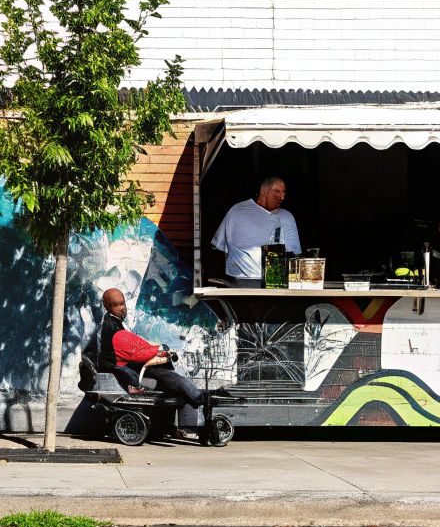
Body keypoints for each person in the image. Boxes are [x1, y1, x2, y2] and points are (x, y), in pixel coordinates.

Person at [92, 288, 219, 419]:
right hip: (129, 370)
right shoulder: (113, 328)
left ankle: (181, 412)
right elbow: (136, 354)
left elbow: (136, 347)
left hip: (129, 366)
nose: (121, 308)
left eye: (122, 303)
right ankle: (201, 400)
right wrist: (158, 348)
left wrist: (156, 350)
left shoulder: (114, 323)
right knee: (171, 377)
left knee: (169, 377)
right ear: (106, 306)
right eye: (116, 305)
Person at [211, 176, 301, 286]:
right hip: (240, 280)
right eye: (277, 192)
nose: (282, 197)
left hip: (276, 282)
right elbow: (220, 248)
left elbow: (294, 256)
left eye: (284, 193)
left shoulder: (286, 217)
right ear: (264, 190)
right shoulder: (238, 211)